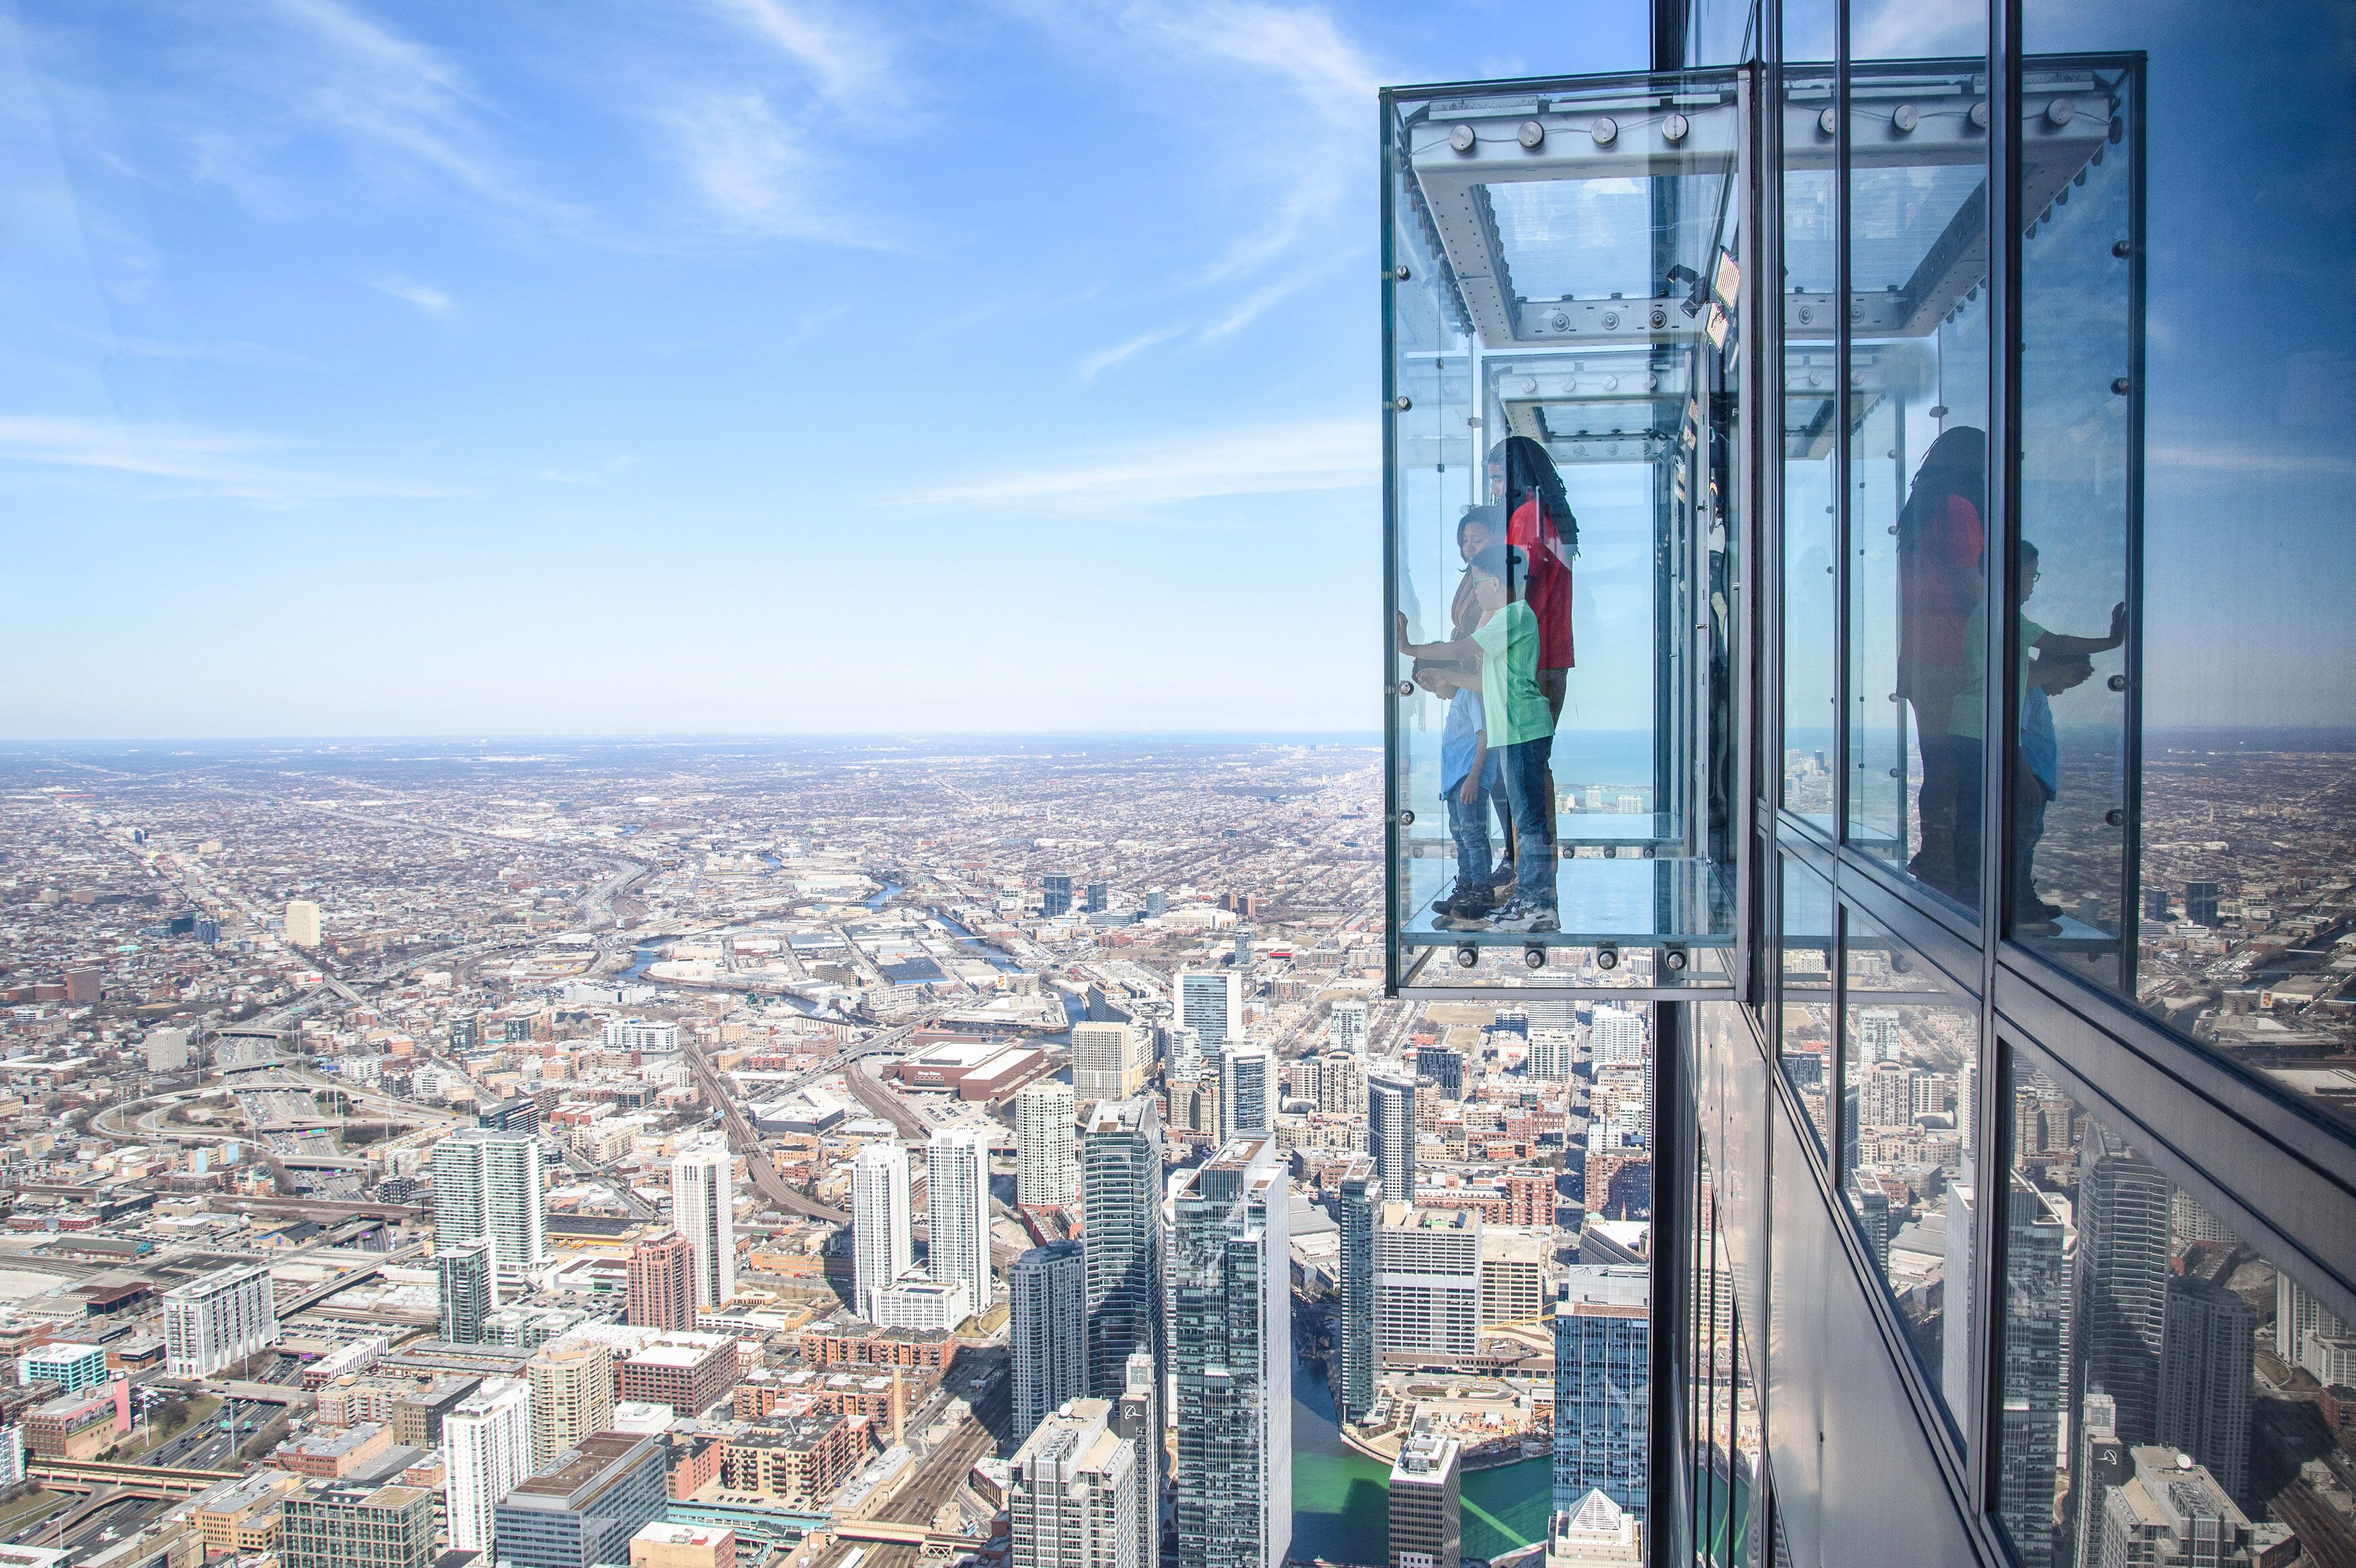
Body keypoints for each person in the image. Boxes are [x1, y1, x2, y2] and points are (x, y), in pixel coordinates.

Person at [1950, 539, 2123, 925]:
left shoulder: (1988, 618)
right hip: (1986, 735)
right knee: (2014, 828)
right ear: (2007, 577)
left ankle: (1976, 896)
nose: (2033, 584)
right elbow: (2053, 649)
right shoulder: (2002, 617)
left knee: (1977, 822)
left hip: (1973, 731)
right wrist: (2113, 642)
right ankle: (2013, 899)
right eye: (2029, 575)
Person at [1398, 545, 1559, 931]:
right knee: (1524, 818)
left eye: (1479, 584)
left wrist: (1407, 648)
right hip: (1515, 730)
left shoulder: (1514, 615)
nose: (1477, 592)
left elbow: (1463, 648)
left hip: (1522, 730)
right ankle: (1529, 900)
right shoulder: (1511, 620)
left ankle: (1539, 904)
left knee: (1529, 820)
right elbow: (1487, 684)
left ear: (1498, 583)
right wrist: (1447, 679)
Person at [1895, 427, 1988, 900]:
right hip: (1955, 659)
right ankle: (1953, 868)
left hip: (1921, 663)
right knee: (1963, 769)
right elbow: (1971, 589)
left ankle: (1937, 858)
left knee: (1939, 768)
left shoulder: (1919, 514)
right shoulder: (1958, 508)